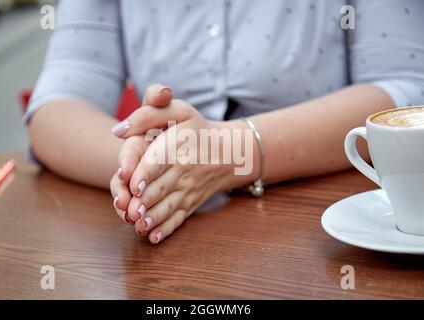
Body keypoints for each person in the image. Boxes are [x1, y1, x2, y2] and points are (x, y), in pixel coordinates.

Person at [26, 0, 424, 244]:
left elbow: (408, 88)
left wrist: (230, 151)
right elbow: (56, 106)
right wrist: (147, 167)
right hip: (169, 235)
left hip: (330, 223)